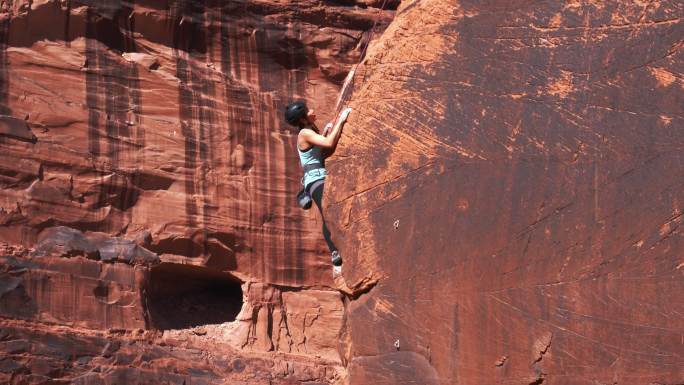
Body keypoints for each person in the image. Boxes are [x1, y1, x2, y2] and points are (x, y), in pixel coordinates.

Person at [285, 101, 352, 267]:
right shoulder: (304, 133)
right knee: (327, 213)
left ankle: (335, 248)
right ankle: (334, 252)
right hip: (315, 180)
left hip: (318, 177)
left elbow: (319, 148)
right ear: (302, 119)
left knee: (328, 212)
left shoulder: (309, 130)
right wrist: (342, 121)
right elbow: (328, 143)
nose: (313, 111)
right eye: (308, 111)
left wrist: (326, 130)